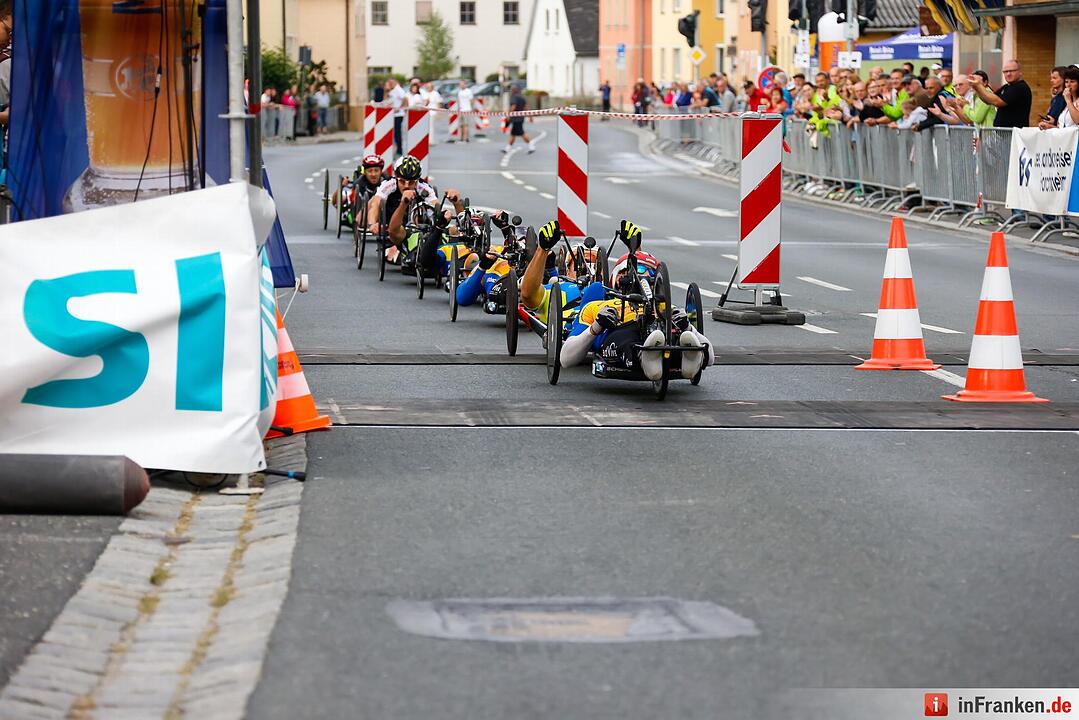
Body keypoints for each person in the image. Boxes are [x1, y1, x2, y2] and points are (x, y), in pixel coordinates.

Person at [972, 59, 1031, 128]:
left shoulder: (1020, 87)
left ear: (1020, 72)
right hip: (1003, 133)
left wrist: (978, 85)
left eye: (1012, 71)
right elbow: (988, 100)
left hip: (1014, 134)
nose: (1008, 74)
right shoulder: (1006, 87)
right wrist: (976, 87)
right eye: (1005, 71)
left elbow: (997, 102)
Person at [503, 85, 535, 154]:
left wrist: (508, 115)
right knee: (513, 133)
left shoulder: (514, 97)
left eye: (511, 90)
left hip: (515, 119)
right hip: (520, 118)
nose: (511, 91)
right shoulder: (522, 98)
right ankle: (507, 148)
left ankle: (531, 146)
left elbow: (513, 106)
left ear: (513, 91)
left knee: (521, 133)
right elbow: (526, 107)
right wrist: (530, 117)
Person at [388, 78, 407, 150]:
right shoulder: (393, 90)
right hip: (394, 114)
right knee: (395, 132)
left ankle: (399, 149)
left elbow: (405, 98)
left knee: (397, 132)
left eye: (391, 83)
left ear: (395, 82)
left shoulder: (398, 90)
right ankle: (397, 148)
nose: (390, 84)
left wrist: (400, 108)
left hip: (399, 114)